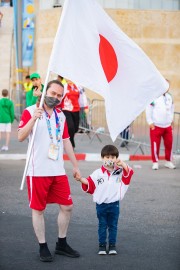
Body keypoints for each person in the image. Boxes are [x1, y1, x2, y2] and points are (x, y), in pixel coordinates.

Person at [18, 80, 81, 262]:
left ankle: (61, 244)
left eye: (59, 95)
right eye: (53, 93)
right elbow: (21, 136)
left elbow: (66, 141)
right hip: (38, 171)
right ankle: (43, 246)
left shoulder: (60, 115)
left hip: (57, 170)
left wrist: (75, 166)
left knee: (67, 206)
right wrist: (33, 118)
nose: (56, 98)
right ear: (46, 91)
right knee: (39, 209)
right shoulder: (31, 111)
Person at [75, 144, 134, 255]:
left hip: (114, 204)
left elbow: (129, 173)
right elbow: (90, 183)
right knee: (102, 225)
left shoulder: (120, 171)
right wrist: (80, 179)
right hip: (101, 205)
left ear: (116, 158)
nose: (110, 159)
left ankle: (112, 246)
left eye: (112, 157)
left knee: (113, 226)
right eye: (107, 157)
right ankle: (102, 246)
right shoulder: (97, 173)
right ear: (102, 158)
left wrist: (123, 164)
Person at [146, 80, 176, 170]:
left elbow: (172, 109)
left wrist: (171, 120)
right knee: (155, 145)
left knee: (169, 144)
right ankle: (155, 162)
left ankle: (168, 161)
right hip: (156, 126)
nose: (166, 88)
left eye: (168, 86)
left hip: (167, 126)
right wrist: (150, 122)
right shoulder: (154, 97)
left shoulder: (170, 97)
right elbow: (148, 109)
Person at [60, 80, 88, 149]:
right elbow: (60, 97)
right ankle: (71, 142)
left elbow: (83, 97)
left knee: (75, 128)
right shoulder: (64, 86)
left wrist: (85, 107)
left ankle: (68, 137)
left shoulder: (78, 86)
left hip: (76, 109)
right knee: (70, 127)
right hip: (66, 109)